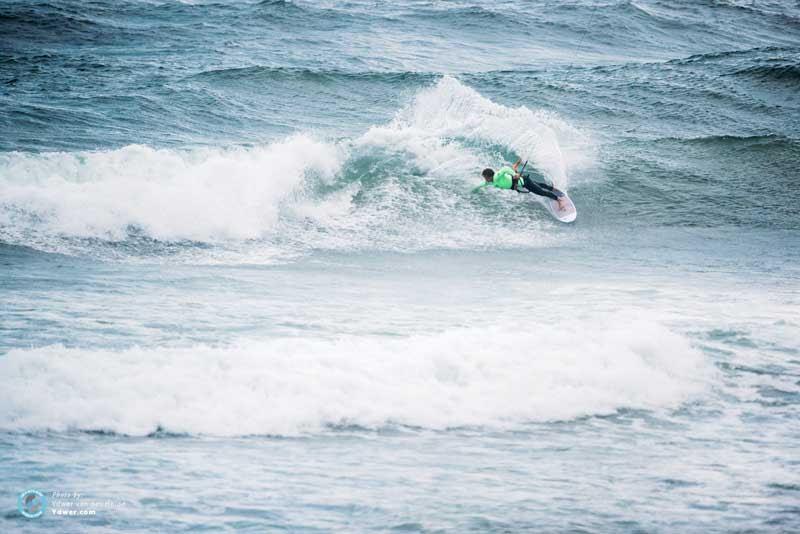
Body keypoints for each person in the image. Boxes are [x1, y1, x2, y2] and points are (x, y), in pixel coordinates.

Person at [474, 158, 569, 210]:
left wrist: (514, 174)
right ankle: (551, 188)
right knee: (538, 185)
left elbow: (505, 169)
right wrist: (473, 190)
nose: (485, 180)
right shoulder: (491, 182)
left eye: (485, 177)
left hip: (524, 182)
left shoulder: (497, 176)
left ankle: (559, 200)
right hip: (522, 182)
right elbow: (482, 185)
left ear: (489, 176)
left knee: (540, 192)